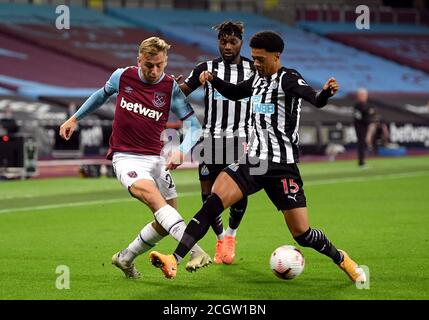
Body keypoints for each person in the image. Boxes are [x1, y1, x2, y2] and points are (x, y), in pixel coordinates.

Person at [149, 31, 366, 283]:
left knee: (302, 234)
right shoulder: (255, 80)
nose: (256, 64)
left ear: (276, 56)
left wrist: (326, 93)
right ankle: (173, 260)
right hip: (254, 161)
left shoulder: (289, 79)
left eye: (261, 59)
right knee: (212, 203)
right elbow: (233, 92)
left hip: (282, 167)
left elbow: (315, 100)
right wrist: (212, 79)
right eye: (253, 58)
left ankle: (341, 258)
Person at [59, 37, 211, 279]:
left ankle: (125, 258)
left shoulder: (170, 87)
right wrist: (75, 118)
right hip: (126, 158)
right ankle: (195, 251)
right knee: (154, 199)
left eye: (159, 65)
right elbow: (101, 95)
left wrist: (183, 149)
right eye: (148, 64)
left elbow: (193, 126)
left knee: (164, 222)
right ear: (139, 60)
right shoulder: (123, 76)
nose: (154, 70)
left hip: (156, 160)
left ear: (165, 62)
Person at [178, 21, 254, 265]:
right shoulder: (205, 67)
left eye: (233, 42)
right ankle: (220, 238)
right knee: (207, 195)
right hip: (211, 139)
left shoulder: (254, 70)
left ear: (241, 42)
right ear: (218, 42)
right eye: (223, 41)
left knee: (238, 192)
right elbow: (182, 92)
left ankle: (231, 235)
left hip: (241, 139)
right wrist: (174, 86)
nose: (228, 46)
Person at [353, 88, 375, 167]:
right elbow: (358, 117)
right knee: (361, 143)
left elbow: (372, 114)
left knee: (366, 143)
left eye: (364, 95)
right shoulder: (358, 105)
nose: (363, 96)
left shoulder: (367, 105)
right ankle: (361, 162)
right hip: (360, 127)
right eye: (361, 95)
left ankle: (364, 159)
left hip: (367, 126)